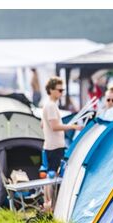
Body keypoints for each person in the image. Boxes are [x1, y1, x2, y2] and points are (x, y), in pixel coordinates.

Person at [41, 76, 83, 211]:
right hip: (55, 146)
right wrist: (72, 127)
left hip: (50, 145)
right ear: (51, 90)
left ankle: (48, 204)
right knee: (53, 177)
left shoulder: (47, 105)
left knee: (50, 175)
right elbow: (54, 126)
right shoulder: (52, 106)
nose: (61, 92)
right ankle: (51, 206)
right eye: (59, 90)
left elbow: (43, 125)